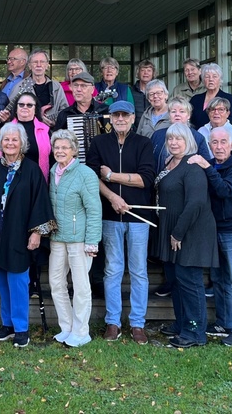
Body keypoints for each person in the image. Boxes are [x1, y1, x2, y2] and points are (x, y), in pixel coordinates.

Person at [86, 101, 156, 344]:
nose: (120, 119)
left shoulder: (144, 143)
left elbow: (145, 179)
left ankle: (138, 323)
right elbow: (92, 177)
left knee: (138, 271)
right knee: (112, 270)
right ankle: (112, 322)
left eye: (125, 115)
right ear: (110, 118)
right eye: (116, 115)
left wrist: (112, 176)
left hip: (139, 217)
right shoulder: (99, 143)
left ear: (133, 118)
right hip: (110, 215)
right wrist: (113, 196)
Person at [0, 123, 54, 348]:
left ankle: (21, 328)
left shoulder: (31, 170)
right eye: (6, 140)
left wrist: (36, 234)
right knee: (2, 280)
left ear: (22, 144)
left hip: (20, 234)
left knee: (19, 281)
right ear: (0, 143)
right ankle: (8, 324)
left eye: (14, 140)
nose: (10, 143)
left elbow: (40, 202)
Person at [154, 124, 218, 348]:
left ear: (188, 141)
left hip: (190, 231)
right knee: (177, 282)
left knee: (190, 282)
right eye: (170, 138)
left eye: (179, 139)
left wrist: (178, 233)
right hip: (172, 230)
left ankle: (195, 332)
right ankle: (182, 324)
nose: (173, 142)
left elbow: (196, 203)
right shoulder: (169, 162)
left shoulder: (192, 165)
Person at [188, 126, 232, 347]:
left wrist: (206, 166)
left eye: (223, 142)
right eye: (214, 143)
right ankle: (224, 323)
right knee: (219, 280)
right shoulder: (213, 165)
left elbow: (225, 190)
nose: (219, 146)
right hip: (215, 229)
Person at [48, 129, 103, 348]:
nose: (60, 151)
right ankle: (67, 327)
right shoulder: (53, 170)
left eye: (64, 147)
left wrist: (92, 241)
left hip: (79, 239)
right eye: (57, 147)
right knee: (56, 283)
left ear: (74, 150)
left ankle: (81, 331)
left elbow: (94, 209)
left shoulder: (85, 174)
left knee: (81, 286)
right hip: (57, 237)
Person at [5, 50, 70, 128]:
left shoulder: (56, 86)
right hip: (27, 133)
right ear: (29, 65)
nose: (38, 65)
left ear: (47, 65)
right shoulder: (19, 86)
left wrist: (55, 123)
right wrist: (37, 117)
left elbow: (65, 110)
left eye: (42, 62)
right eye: (35, 62)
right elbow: (11, 112)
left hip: (51, 133)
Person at [151, 97, 212, 170]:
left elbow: (206, 164)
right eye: (173, 111)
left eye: (182, 111)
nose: (177, 114)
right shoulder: (157, 135)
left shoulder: (198, 137)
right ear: (169, 115)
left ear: (188, 115)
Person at [11, 92, 52, 179]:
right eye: (21, 105)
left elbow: (52, 158)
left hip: (37, 179)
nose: (25, 107)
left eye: (29, 105)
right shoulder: (7, 129)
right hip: (12, 179)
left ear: (35, 109)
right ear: (16, 108)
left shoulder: (45, 130)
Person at [189, 63, 232, 129]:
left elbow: (229, 120)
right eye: (207, 77)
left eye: (214, 76)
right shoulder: (195, 99)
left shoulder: (228, 98)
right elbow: (190, 121)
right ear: (203, 80)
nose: (211, 79)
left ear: (220, 80)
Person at [129, 59, 156, 125]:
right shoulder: (130, 91)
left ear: (153, 73)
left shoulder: (158, 92)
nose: (146, 73)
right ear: (138, 73)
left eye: (149, 70)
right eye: (143, 70)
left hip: (153, 129)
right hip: (134, 130)